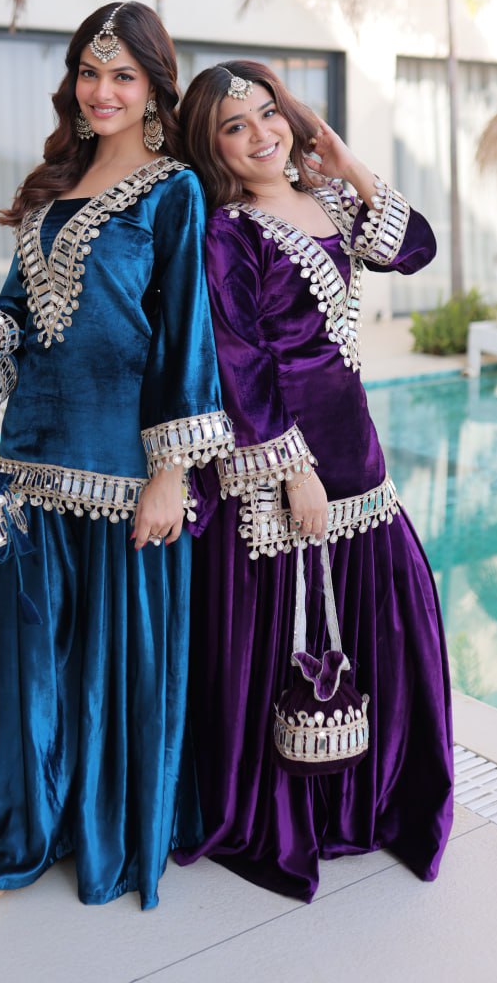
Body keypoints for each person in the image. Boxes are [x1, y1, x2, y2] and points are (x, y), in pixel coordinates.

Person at [0, 2, 233, 925]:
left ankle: (101, 831)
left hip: (124, 473)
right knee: (22, 670)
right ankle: (1, 848)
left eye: (122, 75)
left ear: (154, 90)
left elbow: (186, 338)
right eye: (89, 73)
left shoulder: (173, 192)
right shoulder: (52, 184)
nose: (101, 91)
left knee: (108, 678)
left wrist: (170, 474)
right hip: (29, 463)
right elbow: (20, 310)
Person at [175, 59, 453, 902]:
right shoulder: (227, 232)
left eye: (268, 113)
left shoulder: (328, 201)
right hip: (282, 460)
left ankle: (362, 799)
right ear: (212, 147)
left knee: (382, 620)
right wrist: (293, 470)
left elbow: (414, 249)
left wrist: (352, 168)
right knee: (283, 630)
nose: (260, 134)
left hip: (356, 450)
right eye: (234, 126)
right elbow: (239, 360)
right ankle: (288, 812)